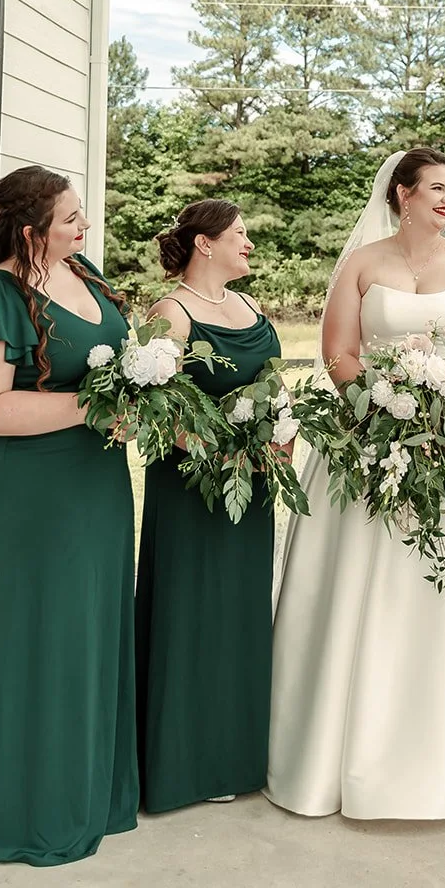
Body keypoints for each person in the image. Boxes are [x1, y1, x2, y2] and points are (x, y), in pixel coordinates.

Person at [267, 148, 445, 820]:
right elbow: (338, 351)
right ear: (401, 194)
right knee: (360, 589)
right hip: (371, 434)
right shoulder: (362, 265)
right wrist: (376, 409)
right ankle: (347, 750)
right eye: (434, 188)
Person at [0, 167, 137, 871]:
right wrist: (98, 408)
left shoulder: (86, 274)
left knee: (88, 634)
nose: (84, 228)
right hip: (34, 497)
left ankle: (86, 793)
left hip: (99, 488)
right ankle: (24, 811)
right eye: (71, 218)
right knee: (38, 637)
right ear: (29, 230)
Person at [135, 200, 282, 812]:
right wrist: (219, 454)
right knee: (191, 612)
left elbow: (270, 386)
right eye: (239, 234)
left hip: (253, 487)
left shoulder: (248, 306)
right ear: (204, 243)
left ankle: (236, 758)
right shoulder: (170, 312)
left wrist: (280, 436)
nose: (248, 243)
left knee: (240, 616)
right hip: (194, 488)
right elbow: (153, 406)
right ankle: (181, 766)